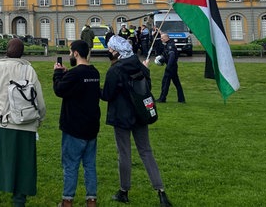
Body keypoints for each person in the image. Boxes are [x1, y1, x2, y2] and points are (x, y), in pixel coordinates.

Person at [0, 38, 46, 207]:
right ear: (22, 52)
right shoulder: (28, 70)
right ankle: (19, 201)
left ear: (6, 50)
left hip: (2, 124)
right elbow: (39, 100)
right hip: (26, 123)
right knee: (24, 165)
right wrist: (40, 118)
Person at [101, 36, 172, 207]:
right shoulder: (139, 65)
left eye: (110, 49)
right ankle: (161, 192)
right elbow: (147, 88)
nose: (109, 52)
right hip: (141, 114)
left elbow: (106, 95)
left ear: (116, 51)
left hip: (121, 116)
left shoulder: (115, 70)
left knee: (124, 154)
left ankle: (123, 191)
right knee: (146, 152)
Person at [53, 40, 101, 207]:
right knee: (90, 166)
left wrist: (58, 74)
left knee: (71, 166)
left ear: (75, 53)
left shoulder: (76, 74)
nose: (69, 55)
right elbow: (77, 85)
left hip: (74, 127)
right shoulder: (94, 73)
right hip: (91, 126)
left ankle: (67, 200)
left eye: (70, 52)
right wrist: (67, 73)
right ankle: (91, 200)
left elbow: (59, 90)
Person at [155, 33, 185, 103]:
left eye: (162, 38)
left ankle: (162, 98)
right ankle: (181, 99)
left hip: (171, 67)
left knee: (165, 82)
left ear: (166, 38)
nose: (161, 39)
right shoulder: (167, 45)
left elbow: (172, 56)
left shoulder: (170, 46)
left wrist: (168, 67)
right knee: (177, 83)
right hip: (173, 66)